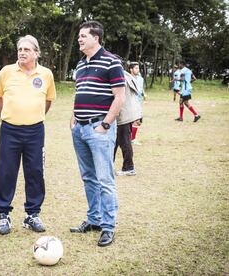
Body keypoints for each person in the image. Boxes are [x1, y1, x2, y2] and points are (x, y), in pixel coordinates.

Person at [0, 35, 56, 235]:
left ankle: (32, 215)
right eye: (20, 49)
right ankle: (3, 215)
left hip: (35, 131)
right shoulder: (6, 72)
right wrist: (9, 116)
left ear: (36, 53)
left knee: (35, 172)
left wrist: (32, 116)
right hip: (9, 129)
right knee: (6, 172)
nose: (22, 53)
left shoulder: (46, 74)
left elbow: (48, 101)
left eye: (27, 50)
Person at [69, 21, 125, 247]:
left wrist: (105, 124)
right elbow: (80, 92)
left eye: (83, 36)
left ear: (96, 38)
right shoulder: (81, 64)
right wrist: (73, 118)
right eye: (79, 36)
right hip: (80, 129)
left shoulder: (112, 61)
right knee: (88, 177)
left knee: (104, 179)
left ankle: (108, 226)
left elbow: (119, 97)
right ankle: (94, 219)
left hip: (99, 129)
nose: (79, 39)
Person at [114, 63, 142, 176]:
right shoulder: (126, 75)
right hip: (129, 113)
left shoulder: (119, 77)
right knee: (115, 141)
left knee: (124, 142)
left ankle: (129, 167)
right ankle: (108, 165)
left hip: (123, 114)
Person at [129, 62, 146, 144]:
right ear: (131, 69)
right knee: (137, 120)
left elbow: (141, 88)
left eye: (138, 68)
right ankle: (132, 139)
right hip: (131, 103)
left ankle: (131, 138)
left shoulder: (140, 79)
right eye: (136, 68)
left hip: (138, 102)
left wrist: (144, 93)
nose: (138, 70)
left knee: (137, 121)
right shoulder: (128, 78)